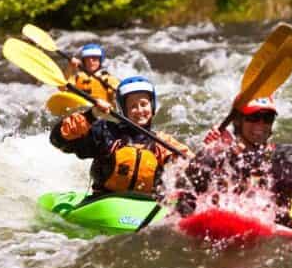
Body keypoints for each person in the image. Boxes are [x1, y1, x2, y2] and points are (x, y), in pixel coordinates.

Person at [50, 75, 190, 198]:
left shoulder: (161, 142)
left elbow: (191, 165)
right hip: (104, 201)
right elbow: (59, 139)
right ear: (123, 110)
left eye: (144, 104)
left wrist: (208, 152)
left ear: (152, 106)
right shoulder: (106, 133)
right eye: (133, 106)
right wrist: (91, 115)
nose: (140, 110)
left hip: (147, 205)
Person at [176, 96, 292, 227]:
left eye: (268, 118)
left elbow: (289, 178)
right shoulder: (218, 154)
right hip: (221, 231)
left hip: (271, 229)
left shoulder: (287, 154)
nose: (260, 124)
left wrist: (235, 151)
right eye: (254, 117)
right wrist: (209, 150)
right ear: (238, 121)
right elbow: (186, 190)